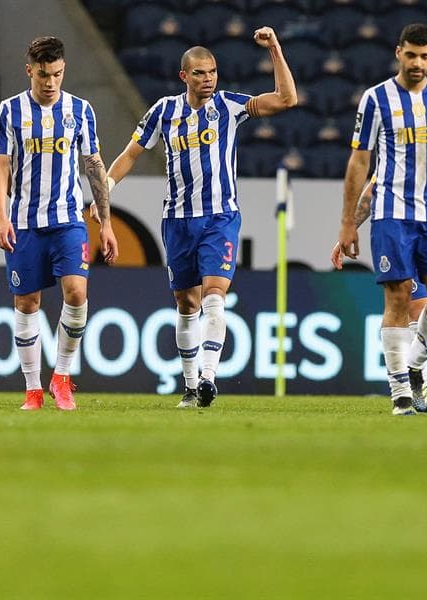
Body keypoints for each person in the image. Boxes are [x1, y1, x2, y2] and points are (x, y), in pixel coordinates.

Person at [102, 26, 297, 408]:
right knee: (186, 304)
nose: (207, 79)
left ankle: (208, 376)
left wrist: (274, 48)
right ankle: (190, 387)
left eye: (212, 72)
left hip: (220, 217)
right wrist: (104, 191)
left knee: (214, 296)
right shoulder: (163, 111)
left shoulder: (229, 106)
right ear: (184, 76)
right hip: (177, 220)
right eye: (199, 73)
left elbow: (287, 99)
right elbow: (130, 154)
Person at [334, 24, 427, 416]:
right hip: (392, 214)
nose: (418, 63)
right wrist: (348, 222)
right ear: (399, 52)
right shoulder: (376, 99)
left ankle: (415, 364)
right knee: (399, 298)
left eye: (426, 56)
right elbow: (360, 162)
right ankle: (401, 392)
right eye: (412, 55)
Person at [0, 36, 117, 411]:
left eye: (57, 74)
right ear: (30, 70)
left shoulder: (81, 110)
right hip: (26, 222)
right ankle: (32, 390)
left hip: (68, 221)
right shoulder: (10, 111)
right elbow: (0, 167)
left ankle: (61, 377)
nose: (50, 83)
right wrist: (0, 217)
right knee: (27, 302)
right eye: (43, 75)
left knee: (76, 292)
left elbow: (93, 164)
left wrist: (105, 222)